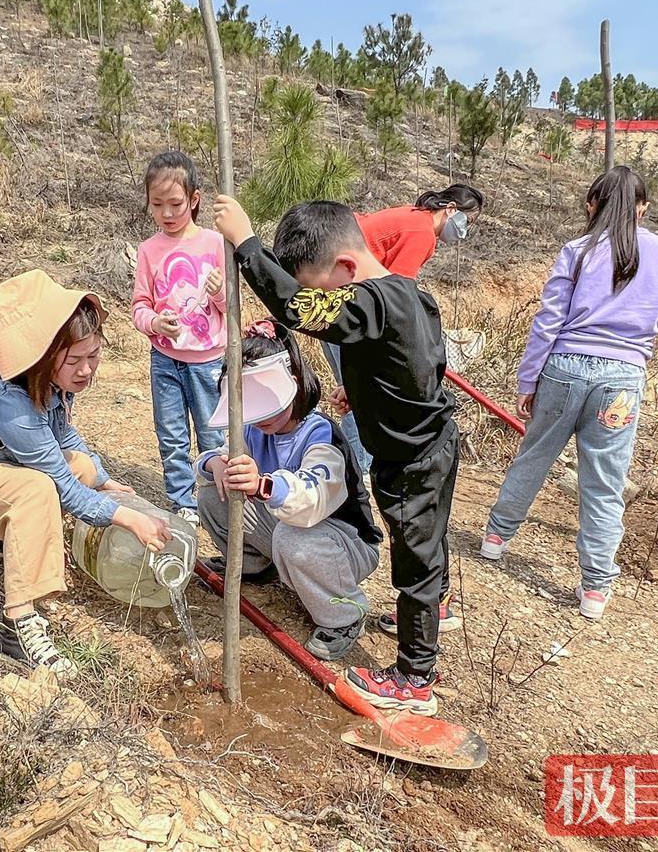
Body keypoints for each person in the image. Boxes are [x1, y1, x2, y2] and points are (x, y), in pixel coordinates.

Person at [214, 195, 458, 717]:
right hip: (424, 445)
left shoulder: (371, 300)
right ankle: (435, 605)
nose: (320, 302)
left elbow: (298, 311)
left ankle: (415, 678)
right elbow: (425, 363)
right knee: (425, 542)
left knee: (414, 558)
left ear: (346, 268)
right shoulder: (409, 296)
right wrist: (367, 395)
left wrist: (246, 244)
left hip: (414, 459)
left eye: (320, 288)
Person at [0, 270, 172, 673]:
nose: (86, 370)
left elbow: (67, 440)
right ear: (43, 358)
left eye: (93, 356)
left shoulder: (44, 384)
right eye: (74, 361)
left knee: (79, 467)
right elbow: (59, 486)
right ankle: (17, 626)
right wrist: (128, 517)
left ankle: (2, 539)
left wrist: (105, 479)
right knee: (36, 489)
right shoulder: (10, 400)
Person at [480, 167, 658, 620]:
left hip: (565, 369)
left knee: (535, 455)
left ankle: (496, 538)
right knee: (604, 483)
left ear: (591, 205)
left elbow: (548, 320)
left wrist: (529, 378)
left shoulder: (577, 251)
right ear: (643, 209)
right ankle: (595, 588)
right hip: (621, 383)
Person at [196, 319, 383, 661]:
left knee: (291, 535)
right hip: (286, 530)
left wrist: (264, 485)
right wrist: (215, 464)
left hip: (342, 542)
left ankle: (343, 615)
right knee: (212, 494)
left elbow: (312, 498)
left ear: (292, 384)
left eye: (265, 401)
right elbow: (215, 456)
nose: (259, 416)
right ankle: (255, 566)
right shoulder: (254, 430)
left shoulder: (320, 432)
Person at [324, 184, 485, 477]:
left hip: (339, 305)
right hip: (352, 311)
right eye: (467, 221)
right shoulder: (421, 231)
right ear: (450, 209)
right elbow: (396, 296)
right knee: (359, 395)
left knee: (353, 390)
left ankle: (352, 467)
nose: (465, 231)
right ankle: (356, 470)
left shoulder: (411, 218)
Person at [132, 151, 228, 529]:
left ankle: (214, 501)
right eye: (158, 205)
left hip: (208, 361)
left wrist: (220, 294)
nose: (167, 213)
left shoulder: (216, 244)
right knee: (171, 434)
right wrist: (156, 322)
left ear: (194, 199)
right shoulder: (148, 250)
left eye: (175, 204)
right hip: (165, 361)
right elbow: (139, 306)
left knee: (212, 433)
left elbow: (230, 308)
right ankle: (182, 501)